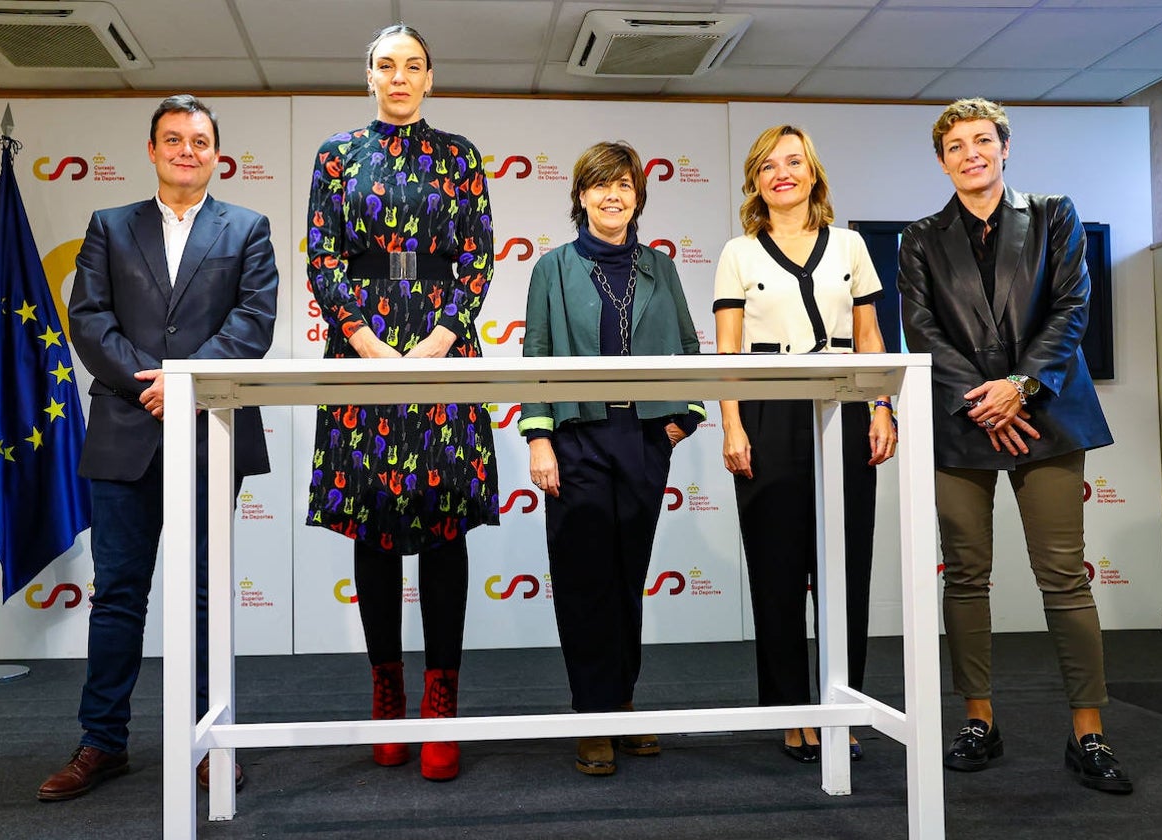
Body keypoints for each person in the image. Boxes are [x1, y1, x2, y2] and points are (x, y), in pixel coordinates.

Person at [39, 94, 279, 801]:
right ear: (151, 150)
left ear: (215, 154)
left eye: (198, 141)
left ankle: (211, 740)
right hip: (124, 432)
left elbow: (254, 321)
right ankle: (100, 743)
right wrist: (154, 386)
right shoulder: (109, 227)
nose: (185, 150)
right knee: (117, 595)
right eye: (172, 139)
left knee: (207, 595)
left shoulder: (248, 229)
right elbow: (88, 319)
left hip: (212, 428)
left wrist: (185, 385)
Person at [897, 97, 1131, 793]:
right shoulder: (918, 238)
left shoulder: (1055, 214)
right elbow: (922, 328)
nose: (970, 153)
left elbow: (1071, 308)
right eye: (956, 146)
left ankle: (1089, 732)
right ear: (941, 161)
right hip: (964, 418)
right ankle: (979, 721)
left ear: (1005, 148)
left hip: (1048, 415)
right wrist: (988, 400)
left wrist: (1021, 387)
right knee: (966, 576)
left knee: (1063, 577)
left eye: (982, 141)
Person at [304, 24, 498, 783]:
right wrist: (360, 336)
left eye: (413, 66)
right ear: (368, 75)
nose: (399, 77)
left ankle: (440, 700)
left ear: (429, 77)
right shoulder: (335, 154)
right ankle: (387, 694)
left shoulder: (459, 155)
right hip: (363, 346)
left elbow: (477, 255)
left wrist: (444, 335)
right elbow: (322, 254)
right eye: (387, 66)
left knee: (445, 518)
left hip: (443, 343)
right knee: (375, 521)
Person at [519, 141, 704, 776]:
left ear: (638, 196)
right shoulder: (553, 267)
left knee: (627, 578)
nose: (612, 195)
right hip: (576, 439)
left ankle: (623, 704)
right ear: (581, 196)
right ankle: (591, 715)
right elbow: (536, 354)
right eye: (600, 185)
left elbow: (686, 342)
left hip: (645, 439)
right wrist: (540, 437)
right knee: (582, 579)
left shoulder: (659, 267)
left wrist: (681, 422)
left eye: (624, 185)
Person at [713, 125, 896, 763]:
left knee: (845, 571)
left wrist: (881, 405)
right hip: (767, 414)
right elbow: (727, 353)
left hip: (843, 409)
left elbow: (870, 335)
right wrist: (732, 425)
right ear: (755, 181)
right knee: (778, 570)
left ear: (813, 174)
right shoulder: (738, 252)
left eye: (793, 162)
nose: (781, 173)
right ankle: (793, 715)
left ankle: (842, 709)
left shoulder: (850, 245)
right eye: (768, 165)